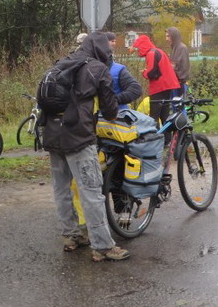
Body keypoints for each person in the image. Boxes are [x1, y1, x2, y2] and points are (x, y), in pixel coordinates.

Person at [42, 31, 131, 262]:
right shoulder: (97, 69)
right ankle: (102, 246)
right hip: (78, 137)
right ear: (102, 50)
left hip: (52, 134)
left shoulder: (63, 62)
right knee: (91, 191)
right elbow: (110, 110)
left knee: (61, 189)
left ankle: (71, 236)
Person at [131, 34, 181, 126]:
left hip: (159, 87)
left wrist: (144, 73)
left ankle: (155, 134)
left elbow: (152, 73)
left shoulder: (151, 54)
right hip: (167, 86)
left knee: (154, 116)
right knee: (165, 115)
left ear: (142, 46)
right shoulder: (158, 51)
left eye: (138, 48)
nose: (138, 50)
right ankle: (167, 135)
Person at [106, 32, 143, 108]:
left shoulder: (118, 70)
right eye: (112, 41)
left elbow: (136, 89)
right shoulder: (88, 68)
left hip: (118, 113)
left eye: (115, 41)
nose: (114, 44)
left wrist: (114, 100)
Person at [165, 27, 191, 97]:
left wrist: (171, 67)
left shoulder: (182, 48)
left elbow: (184, 68)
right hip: (173, 83)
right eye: (166, 36)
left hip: (180, 84)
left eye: (168, 36)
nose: (166, 39)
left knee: (178, 103)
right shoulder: (173, 48)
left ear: (174, 36)